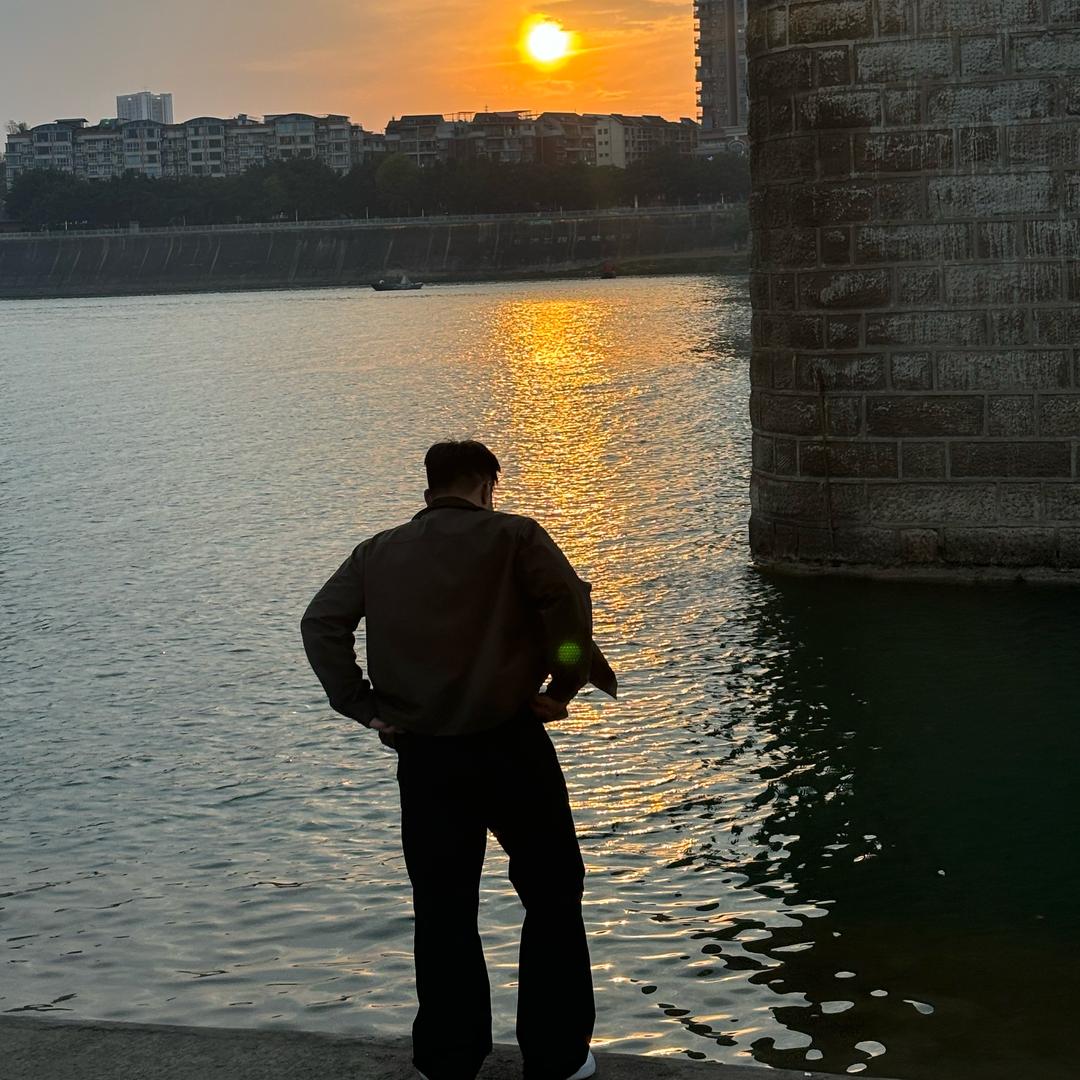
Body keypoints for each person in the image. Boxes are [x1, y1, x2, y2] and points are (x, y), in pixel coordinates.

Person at [301, 439, 617, 1080]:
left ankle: (449, 1059)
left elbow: (321, 624)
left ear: (429, 488)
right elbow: (569, 612)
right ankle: (556, 1058)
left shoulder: (377, 553)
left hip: (425, 758)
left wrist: (360, 705)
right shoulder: (516, 537)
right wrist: (560, 688)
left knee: (443, 906)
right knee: (552, 894)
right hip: (511, 745)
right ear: (488, 484)